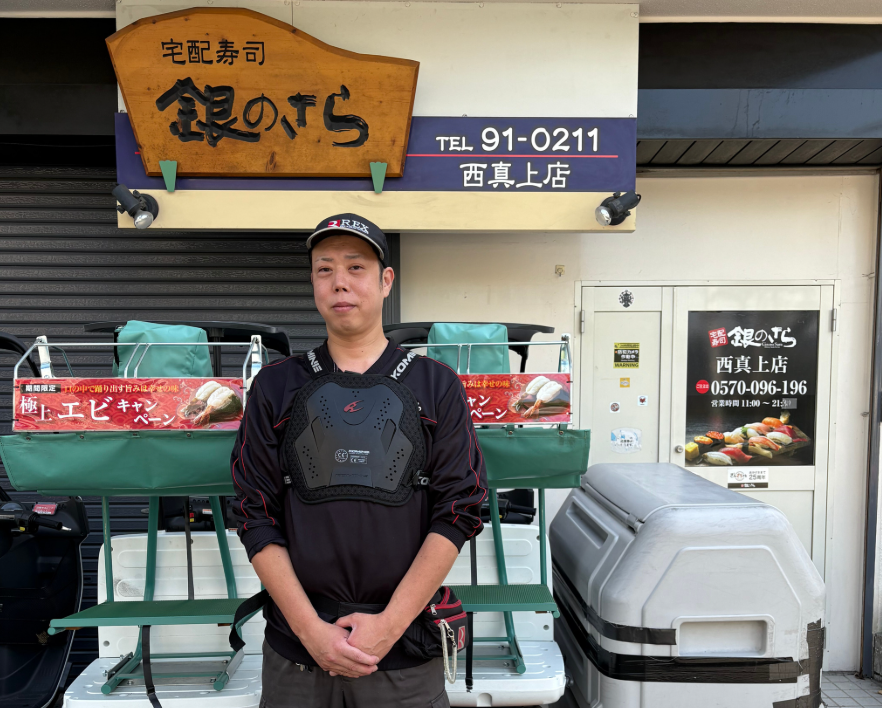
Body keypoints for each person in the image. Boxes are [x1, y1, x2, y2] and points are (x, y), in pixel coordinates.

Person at [230, 213, 488, 708]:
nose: (340, 282)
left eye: (356, 267)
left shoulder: (436, 385)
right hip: (298, 656)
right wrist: (311, 632)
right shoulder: (276, 386)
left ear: (386, 280)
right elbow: (252, 513)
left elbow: (459, 509)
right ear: (312, 282)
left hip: (403, 655)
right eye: (324, 269)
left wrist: (388, 627)